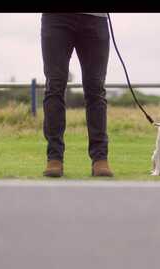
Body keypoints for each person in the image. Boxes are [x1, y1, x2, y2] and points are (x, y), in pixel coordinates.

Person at [41, 13, 113, 178]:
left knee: (96, 89)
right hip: (56, 18)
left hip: (95, 18)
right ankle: (54, 158)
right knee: (55, 86)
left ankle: (100, 158)